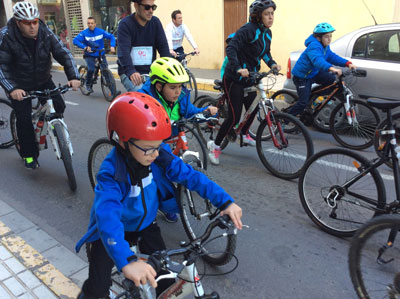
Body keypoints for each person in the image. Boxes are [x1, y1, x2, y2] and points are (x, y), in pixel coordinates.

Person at [75, 92, 243, 298]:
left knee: (167, 283)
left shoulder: (156, 154)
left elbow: (191, 176)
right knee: (97, 287)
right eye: (148, 148)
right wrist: (126, 261)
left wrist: (224, 200)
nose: (156, 154)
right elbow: (107, 216)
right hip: (110, 233)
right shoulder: (112, 173)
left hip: (146, 225)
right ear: (122, 141)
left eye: (158, 146)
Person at [0, 1, 80, 169]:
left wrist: (73, 76)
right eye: (27, 23)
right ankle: (28, 155)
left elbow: (63, 53)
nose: (32, 27)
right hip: (19, 84)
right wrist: (13, 89)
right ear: (17, 22)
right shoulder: (6, 36)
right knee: (24, 119)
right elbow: (2, 66)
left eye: (35, 22)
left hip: (42, 79)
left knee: (58, 104)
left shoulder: (45, 32)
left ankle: (50, 126)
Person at [138, 57, 218, 222]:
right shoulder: (144, 99)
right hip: (151, 140)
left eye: (181, 86)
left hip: (172, 132)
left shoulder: (180, 96)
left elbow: (190, 111)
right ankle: (161, 205)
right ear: (158, 86)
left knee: (173, 165)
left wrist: (206, 112)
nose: (178, 91)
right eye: (173, 87)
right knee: (158, 172)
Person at [207, 0, 281, 166]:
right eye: (267, 14)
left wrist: (273, 64)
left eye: (272, 14)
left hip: (251, 77)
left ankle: (244, 134)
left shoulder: (267, 33)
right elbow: (231, 48)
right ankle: (215, 146)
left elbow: (265, 53)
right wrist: (239, 68)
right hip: (234, 78)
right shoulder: (248, 30)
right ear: (258, 16)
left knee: (254, 107)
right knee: (234, 116)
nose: (271, 17)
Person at [287, 22, 356, 118]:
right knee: (303, 103)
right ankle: (283, 119)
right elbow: (317, 60)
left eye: (330, 36)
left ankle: (313, 98)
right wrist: (331, 68)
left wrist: (347, 63)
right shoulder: (314, 46)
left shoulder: (325, 47)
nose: (329, 39)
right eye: (326, 37)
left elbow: (332, 57)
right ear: (319, 38)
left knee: (331, 80)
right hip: (302, 77)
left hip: (313, 73)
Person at [117, 0, 170, 92]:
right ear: (136, 5)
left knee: (172, 92)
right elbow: (123, 52)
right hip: (129, 72)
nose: (151, 11)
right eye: (147, 7)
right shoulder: (125, 24)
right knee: (143, 95)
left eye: (153, 7)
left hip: (150, 73)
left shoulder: (155, 23)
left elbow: (163, 48)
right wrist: (131, 71)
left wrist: (169, 68)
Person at [73, 17, 116, 94]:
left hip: (100, 54)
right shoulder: (84, 33)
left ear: (95, 24)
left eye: (92, 23)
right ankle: (88, 84)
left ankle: (113, 92)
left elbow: (111, 37)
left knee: (105, 71)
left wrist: (112, 46)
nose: (90, 25)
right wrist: (85, 47)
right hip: (89, 55)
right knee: (91, 69)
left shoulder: (100, 31)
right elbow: (75, 40)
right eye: (88, 23)